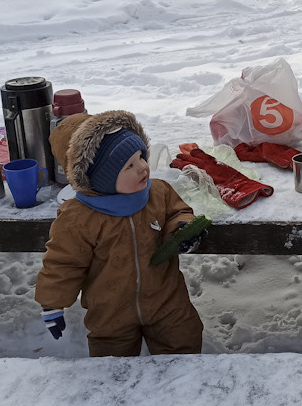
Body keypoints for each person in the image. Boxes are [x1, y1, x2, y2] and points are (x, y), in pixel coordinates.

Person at [35, 109, 204, 357]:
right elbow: (63, 262)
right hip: (110, 311)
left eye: (141, 157)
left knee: (182, 341)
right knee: (111, 366)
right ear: (100, 178)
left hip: (166, 300)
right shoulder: (78, 217)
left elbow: (177, 212)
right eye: (129, 166)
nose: (143, 168)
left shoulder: (157, 192)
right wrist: (52, 303)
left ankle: (182, 386)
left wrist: (181, 228)